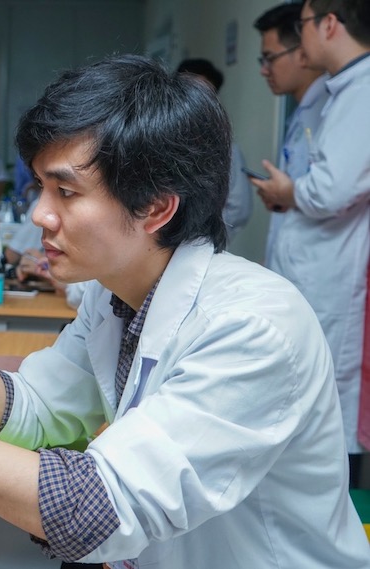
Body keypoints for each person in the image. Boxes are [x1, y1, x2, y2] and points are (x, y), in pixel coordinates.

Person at [0, 55, 370, 567]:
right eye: (39, 187)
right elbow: (27, 414)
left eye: (65, 192)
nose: (39, 215)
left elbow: (91, 508)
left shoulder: (251, 327)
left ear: (156, 206)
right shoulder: (115, 299)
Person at [252, 0, 370, 484]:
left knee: (328, 416)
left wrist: (289, 191)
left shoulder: (362, 93)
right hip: (313, 271)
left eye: (303, 27)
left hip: (333, 279)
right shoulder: (345, 92)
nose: (302, 44)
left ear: (328, 23)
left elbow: (333, 188)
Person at [253, 2, 329, 265]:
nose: (264, 70)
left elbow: (329, 193)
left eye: (270, 58)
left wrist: (289, 193)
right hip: (293, 262)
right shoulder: (302, 111)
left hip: (317, 269)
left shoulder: (328, 110)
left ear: (302, 51)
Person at [176, 59, 253, 244]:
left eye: (204, 96)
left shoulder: (226, 149)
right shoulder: (154, 138)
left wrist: (205, 241)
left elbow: (240, 206)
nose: (195, 103)